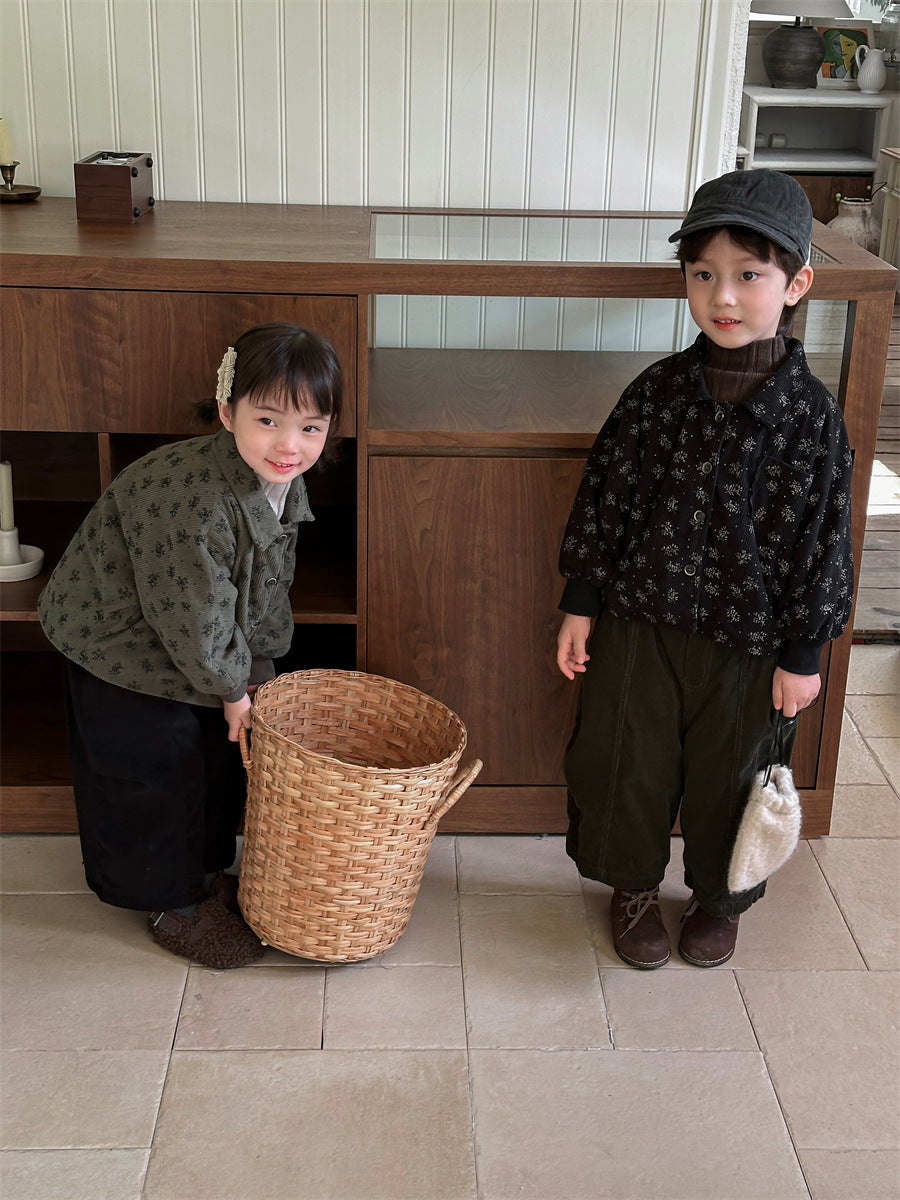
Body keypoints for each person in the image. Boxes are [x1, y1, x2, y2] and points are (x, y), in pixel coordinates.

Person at [556, 170, 853, 969]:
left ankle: (720, 900)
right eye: (703, 274)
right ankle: (633, 890)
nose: (723, 296)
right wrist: (581, 603)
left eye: (748, 275)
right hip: (642, 625)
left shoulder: (813, 419)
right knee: (627, 762)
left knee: (736, 776)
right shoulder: (656, 396)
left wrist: (803, 655)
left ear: (796, 285)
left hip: (750, 643)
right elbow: (606, 499)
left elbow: (822, 540)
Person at [38, 323, 343, 969]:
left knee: (213, 758)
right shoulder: (193, 499)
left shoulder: (281, 476)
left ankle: (201, 875)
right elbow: (192, 613)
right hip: (119, 638)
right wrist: (232, 688)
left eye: (311, 427)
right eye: (268, 420)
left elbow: (266, 581)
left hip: (189, 630)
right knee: (154, 768)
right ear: (228, 412)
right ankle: (170, 903)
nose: (290, 445)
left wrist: (259, 668)